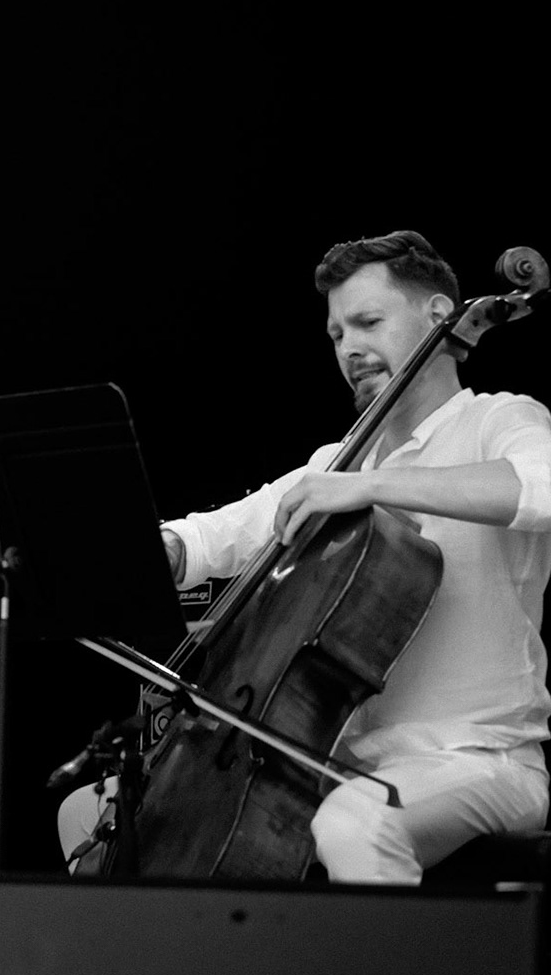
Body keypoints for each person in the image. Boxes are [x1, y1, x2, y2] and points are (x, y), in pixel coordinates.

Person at [59, 230, 551, 882]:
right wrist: (162, 549)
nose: (349, 347)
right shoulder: (337, 463)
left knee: (355, 826)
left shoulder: (499, 420)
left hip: (481, 760)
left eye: (368, 322)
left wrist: (369, 485)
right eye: (336, 333)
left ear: (439, 316)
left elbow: (541, 488)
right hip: (337, 766)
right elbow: (227, 531)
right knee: (85, 813)